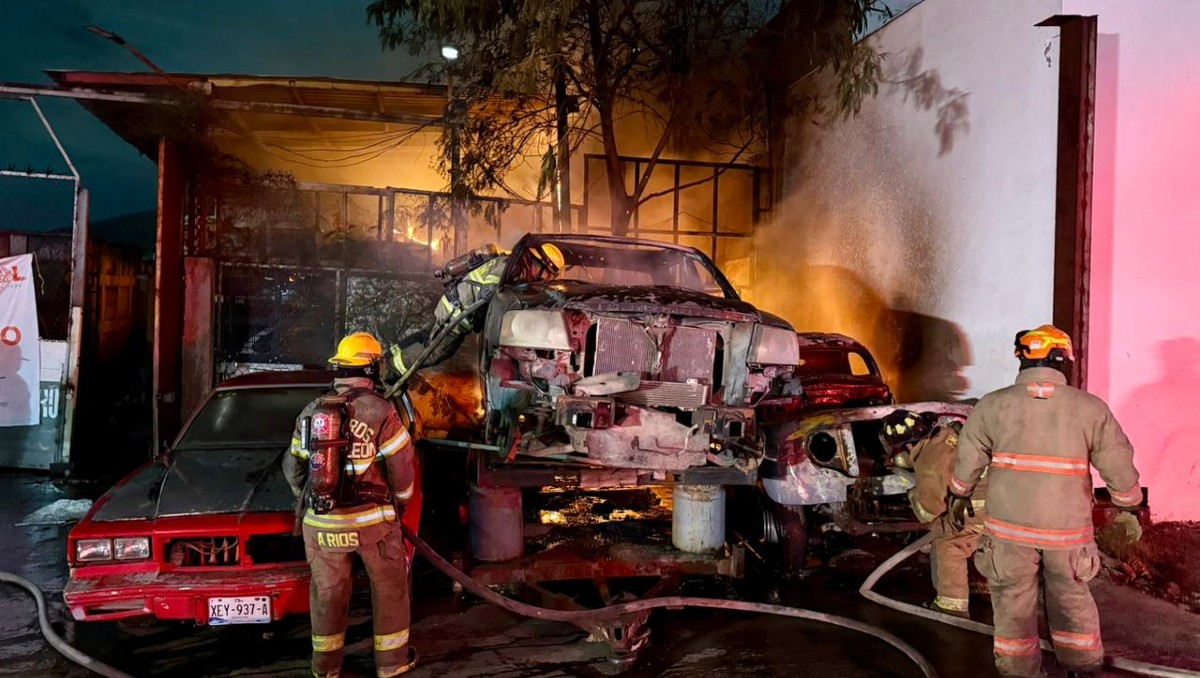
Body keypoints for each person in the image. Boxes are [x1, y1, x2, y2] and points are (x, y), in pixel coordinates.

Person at [949, 325, 1142, 678]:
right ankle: (1081, 668)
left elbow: (967, 457)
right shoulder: (1090, 408)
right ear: (1063, 360)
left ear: (1023, 360)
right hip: (1067, 531)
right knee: (1071, 597)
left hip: (1009, 530)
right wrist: (1128, 506)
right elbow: (1118, 461)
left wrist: (959, 494)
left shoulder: (993, 404)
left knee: (1011, 603)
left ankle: (1019, 672)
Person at [284, 332, 418, 678]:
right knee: (389, 590)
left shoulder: (312, 411)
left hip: (322, 524)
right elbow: (402, 468)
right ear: (373, 368)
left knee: (327, 594)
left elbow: (293, 467)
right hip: (372, 525)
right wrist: (400, 504)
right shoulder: (381, 411)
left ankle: (325, 668)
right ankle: (391, 665)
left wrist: (314, 499)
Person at [389, 242, 565, 378]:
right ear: (540, 264)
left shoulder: (516, 267)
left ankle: (391, 354)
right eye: (548, 273)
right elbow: (490, 289)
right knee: (437, 351)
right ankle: (393, 371)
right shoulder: (511, 267)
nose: (546, 279)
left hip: (454, 305)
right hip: (457, 311)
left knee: (427, 337)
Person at [882, 408, 987, 618]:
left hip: (976, 510)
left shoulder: (929, 465)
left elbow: (929, 511)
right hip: (1004, 505)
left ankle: (951, 608)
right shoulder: (947, 434)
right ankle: (989, 589)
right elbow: (927, 456)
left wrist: (913, 493)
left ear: (908, 445)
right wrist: (902, 462)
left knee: (948, 543)